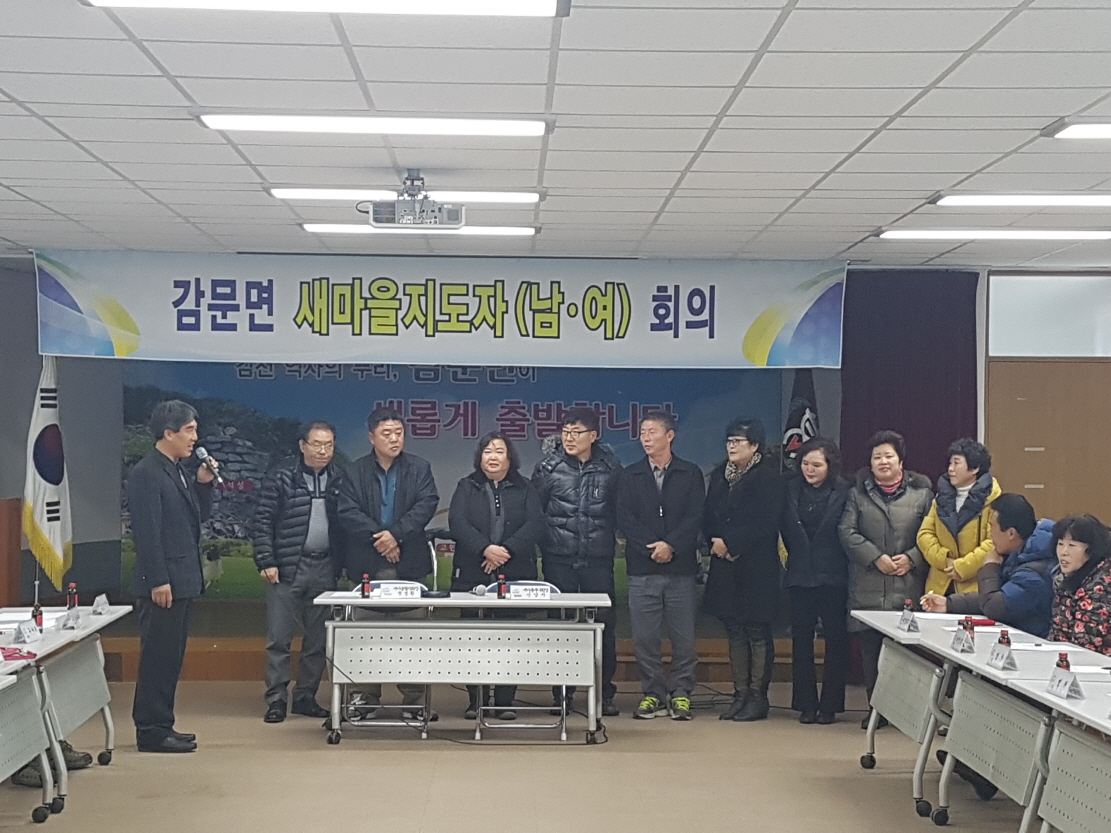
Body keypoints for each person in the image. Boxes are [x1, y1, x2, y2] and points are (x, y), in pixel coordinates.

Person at [337, 406, 439, 715]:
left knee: (414, 638)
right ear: (372, 437)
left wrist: (396, 535)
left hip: (409, 564)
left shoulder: (419, 468)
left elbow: (426, 504)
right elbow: (347, 512)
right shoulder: (354, 471)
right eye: (386, 434)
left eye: (399, 433)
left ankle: (415, 701)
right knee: (364, 637)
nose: (394, 439)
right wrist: (381, 540)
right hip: (367, 565)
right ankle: (364, 697)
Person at [127, 400, 216, 753]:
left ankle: (163, 723)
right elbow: (147, 532)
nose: (195, 437)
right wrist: (157, 579)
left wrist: (203, 484)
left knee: (170, 656)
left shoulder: (176, 469)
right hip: (163, 582)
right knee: (157, 657)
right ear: (168, 433)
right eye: (189, 430)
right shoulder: (147, 473)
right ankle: (150, 729)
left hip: (183, 578)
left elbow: (196, 519)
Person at [250, 420, 346, 724]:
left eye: (329, 445)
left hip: (325, 566)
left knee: (317, 640)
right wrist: (266, 560)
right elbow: (262, 521)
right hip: (287, 566)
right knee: (279, 638)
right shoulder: (282, 477)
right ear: (302, 446)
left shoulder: (340, 480)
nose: (323, 451)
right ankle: (276, 699)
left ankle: (305, 696)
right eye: (317, 444)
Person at [838, 430, 932, 729]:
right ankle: (876, 710)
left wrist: (913, 558)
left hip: (907, 584)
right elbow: (846, 532)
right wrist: (875, 557)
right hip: (868, 584)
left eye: (888, 456)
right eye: (877, 457)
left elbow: (932, 535)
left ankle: (906, 713)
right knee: (871, 654)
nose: (883, 461)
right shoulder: (856, 494)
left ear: (901, 461)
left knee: (906, 654)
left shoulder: (923, 495)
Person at [448, 431, 544, 720]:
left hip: (515, 571)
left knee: (510, 638)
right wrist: (485, 550)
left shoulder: (525, 488)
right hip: (472, 572)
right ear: (480, 457)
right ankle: (476, 700)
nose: (492, 456)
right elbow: (457, 523)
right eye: (487, 451)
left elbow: (535, 523)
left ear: (509, 457)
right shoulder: (467, 486)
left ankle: (504, 701)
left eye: (499, 451)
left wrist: (506, 551)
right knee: (472, 640)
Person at [533, 406, 622, 717]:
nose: (569, 438)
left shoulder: (611, 468)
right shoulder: (548, 468)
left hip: (598, 559)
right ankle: (561, 693)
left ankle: (604, 693)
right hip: (559, 559)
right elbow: (536, 513)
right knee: (560, 627)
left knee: (603, 626)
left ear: (593, 435)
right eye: (565, 432)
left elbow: (618, 512)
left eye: (576, 433)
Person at [616, 412, 705, 721]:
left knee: (684, 639)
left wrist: (671, 545)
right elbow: (625, 518)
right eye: (642, 432)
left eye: (652, 431)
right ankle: (652, 693)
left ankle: (681, 693)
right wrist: (651, 547)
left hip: (680, 570)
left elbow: (695, 516)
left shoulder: (689, 473)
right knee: (645, 639)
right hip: (643, 569)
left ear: (670, 436)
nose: (646, 437)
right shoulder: (630, 475)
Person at [703, 417, 785, 722]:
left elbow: (766, 521)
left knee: (757, 630)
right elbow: (708, 515)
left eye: (738, 441)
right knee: (734, 628)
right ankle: (739, 694)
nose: (732, 446)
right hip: (724, 565)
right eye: (729, 441)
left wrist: (732, 543)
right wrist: (715, 541)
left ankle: (757, 697)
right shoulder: (719, 477)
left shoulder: (769, 478)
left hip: (756, 566)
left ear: (755, 446)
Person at [781, 437, 851, 726]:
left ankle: (830, 706)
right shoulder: (789, 488)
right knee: (801, 641)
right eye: (805, 463)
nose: (809, 470)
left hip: (834, 576)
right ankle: (805, 704)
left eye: (817, 465)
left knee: (835, 641)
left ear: (830, 466)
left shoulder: (845, 491)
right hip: (800, 574)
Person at [921, 493, 1055, 637]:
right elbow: (997, 596)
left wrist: (990, 566)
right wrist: (949, 603)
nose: (990, 535)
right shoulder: (1018, 555)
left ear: (1011, 533)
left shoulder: (1034, 572)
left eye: (992, 527)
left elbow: (995, 607)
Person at [917, 438, 1001, 597]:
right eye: (950, 463)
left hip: (975, 588)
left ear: (975, 468)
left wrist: (962, 567)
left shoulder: (993, 500)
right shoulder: (941, 497)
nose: (950, 469)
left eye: (956, 463)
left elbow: (993, 543)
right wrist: (945, 559)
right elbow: (924, 534)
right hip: (940, 584)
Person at [1048, 514, 1111, 655]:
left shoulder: (1100, 587)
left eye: (1072, 545)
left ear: (1091, 551)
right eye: (1060, 544)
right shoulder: (1064, 578)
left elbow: (1087, 647)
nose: (1064, 552)